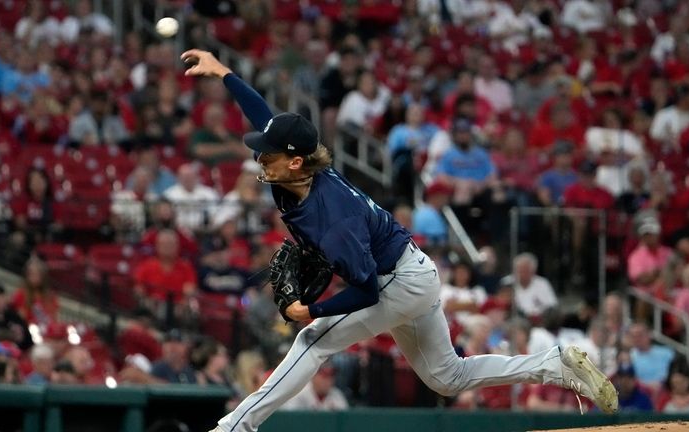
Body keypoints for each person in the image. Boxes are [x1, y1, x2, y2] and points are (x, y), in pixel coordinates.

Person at [179, 49, 618, 432]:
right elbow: (264, 116)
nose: (259, 156)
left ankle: (235, 427)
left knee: (314, 339)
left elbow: (367, 289)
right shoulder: (305, 170)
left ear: (295, 162)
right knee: (448, 377)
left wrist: (311, 309)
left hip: (396, 282)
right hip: (412, 273)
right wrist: (222, 72)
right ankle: (554, 364)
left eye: (268, 153)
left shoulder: (334, 223)